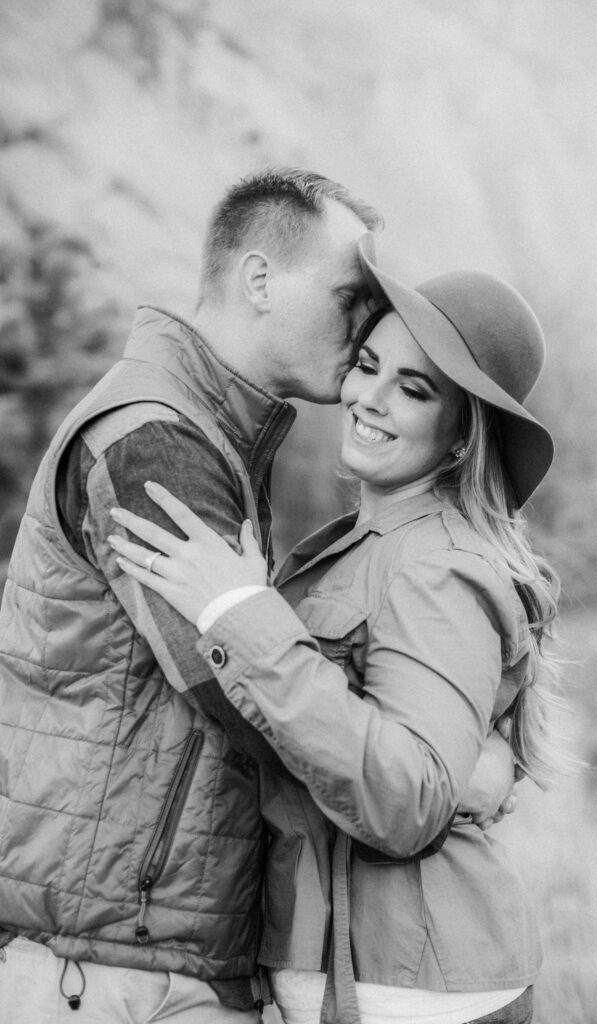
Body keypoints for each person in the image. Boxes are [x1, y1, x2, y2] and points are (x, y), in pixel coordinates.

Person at [0, 170, 513, 1023]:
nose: (359, 339)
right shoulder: (156, 444)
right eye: (350, 298)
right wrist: (439, 769)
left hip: (145, 954)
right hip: (110, 972)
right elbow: (244, 703)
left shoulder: (211, 435)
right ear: (260, 279)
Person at [106, 237, 563, 1024]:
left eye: (412, 388)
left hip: (414, 985)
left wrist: (241, 617)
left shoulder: (434, 565)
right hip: (345, 969)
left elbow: (405, 799)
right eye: (367, 366)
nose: (370, 397)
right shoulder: (362, 543)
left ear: (462, 433)